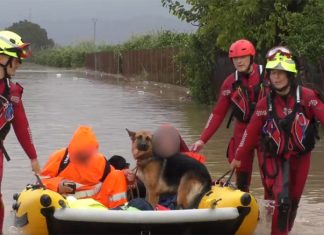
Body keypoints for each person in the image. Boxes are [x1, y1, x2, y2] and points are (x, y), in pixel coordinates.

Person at [231, 47, 324, 235]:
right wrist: (238, 156)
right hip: (274, 157)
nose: (277, 77)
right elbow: (250, 132)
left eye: (281, 73)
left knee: (293, 201)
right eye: (273, 72)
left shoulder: (308, 97)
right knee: (283, 200)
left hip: (300, 158)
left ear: (290, 74)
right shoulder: (265, 103)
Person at [191, 39, 267, 191]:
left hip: (265, 132)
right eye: (235, 59)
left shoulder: (268, 75)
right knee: (242, 179)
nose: (239, 61)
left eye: (243, 57)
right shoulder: (229, 83)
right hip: (242, 131)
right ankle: (244, 207)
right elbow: (218, 113)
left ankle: (270, 210)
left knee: (270, 177)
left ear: (252, 57)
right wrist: (202, 139)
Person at [0, 30, 40, 234]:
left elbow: (22, 125)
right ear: (2, 58)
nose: (19, 64)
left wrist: (33, 157)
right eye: (16, 59)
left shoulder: (13, 91)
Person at [41, 126, 128, 208]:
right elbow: (41, 182)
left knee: (118, 174)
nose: (84, 157)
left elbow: (113, 180)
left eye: (87, 153)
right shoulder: (59, 157)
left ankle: (119, 213)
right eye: (81, 153)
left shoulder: (100, 161)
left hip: (97, 207)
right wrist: (58, 186)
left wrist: (127, 178)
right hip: (66, 207)